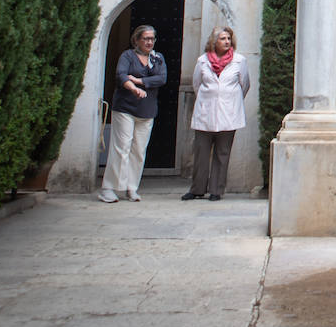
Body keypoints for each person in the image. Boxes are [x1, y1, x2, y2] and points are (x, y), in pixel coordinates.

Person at [99, 25, 167, 203]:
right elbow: (121, 75)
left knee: (138, 150)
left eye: (152, 39)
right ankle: (109, 188)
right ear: (136, 40)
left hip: (147, 110)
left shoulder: (158, 58)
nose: (149, 42)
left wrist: (139, 80)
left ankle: (131, 187)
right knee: (122, 147)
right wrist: (133, 89)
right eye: (145, 38)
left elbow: (162, 78)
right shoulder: (127, 56)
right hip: (125, 108)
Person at [183, 26, 250, 201]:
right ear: (214, 41)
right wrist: (210, 98)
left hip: (229, 114)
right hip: (205, 113)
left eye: (228, 38)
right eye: (222, 38)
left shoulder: (239, 61)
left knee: (223, 153)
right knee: (201, 153)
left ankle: (216, 190)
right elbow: (197, 84)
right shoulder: (202, 61)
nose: (226, 41)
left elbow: (244, 85)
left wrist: (230, 100)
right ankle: (197, 189)